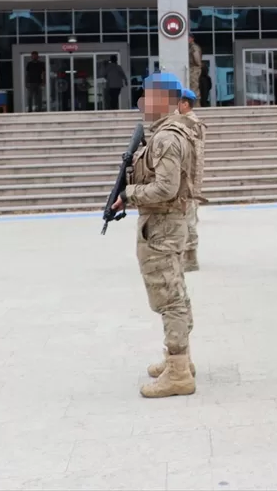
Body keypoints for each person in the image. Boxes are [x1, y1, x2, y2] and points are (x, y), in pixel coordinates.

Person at [110, 72, 200, 398]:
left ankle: (178, 372)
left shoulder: (166, 137)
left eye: (145, 96)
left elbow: (166, 187)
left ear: (161, 98)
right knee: (174, 293)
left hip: (161, 228)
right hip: (163, 227)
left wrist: (130, 193)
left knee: (170, 299)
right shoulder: (167, 132)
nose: (140, 102)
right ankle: (179, 360)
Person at [176, 87, 206, 272]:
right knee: (187, 217)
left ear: (185, 104)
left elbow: (194, 156)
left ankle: (190, 258)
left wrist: (190, 183)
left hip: (187, 179)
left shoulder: (191, 124)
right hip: (186, 179)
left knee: (188, 218)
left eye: (178, 102)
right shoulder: (189, 122)